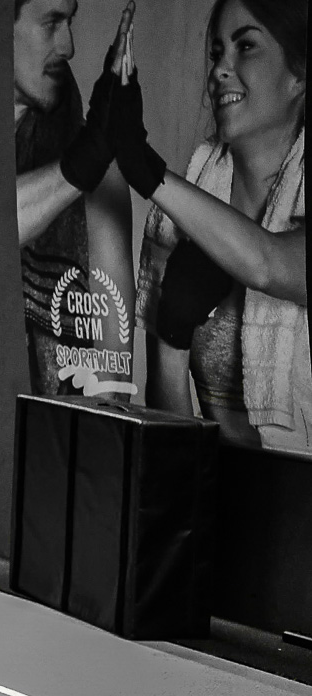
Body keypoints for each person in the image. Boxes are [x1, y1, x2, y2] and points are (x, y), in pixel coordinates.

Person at [126, 0, 307, 453]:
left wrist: (145, 168)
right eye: (215, 51)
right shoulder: (178, 212)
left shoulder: (171, 193)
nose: (221, 69)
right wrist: (171, 335)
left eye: (246, 46)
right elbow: (168, 429)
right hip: (216, 501)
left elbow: (270, 264)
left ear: (299, 74)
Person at [14, 0, 137, 398]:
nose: (68, 47)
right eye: (51, 22)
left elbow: (111, 384)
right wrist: (79, 165)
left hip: (49, 449)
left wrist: (93, 158)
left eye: (70, 22)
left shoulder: (102, 177)